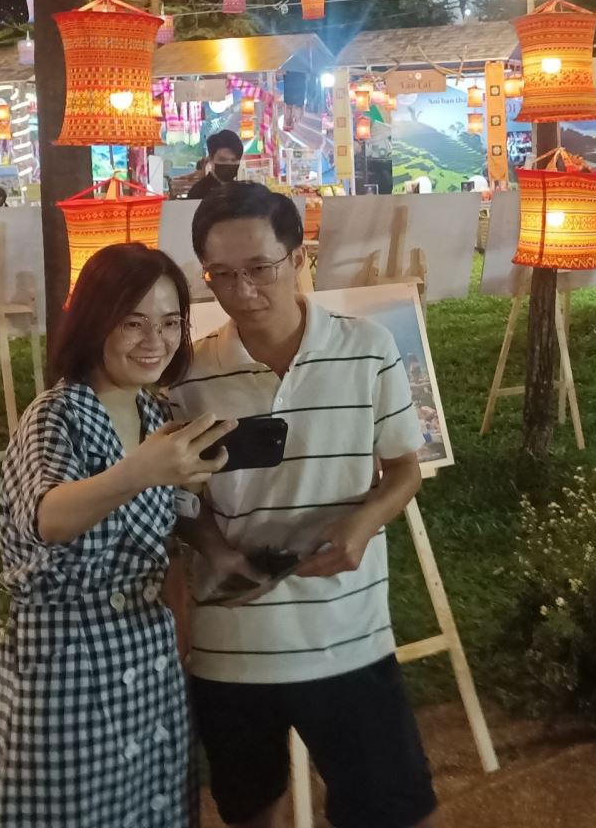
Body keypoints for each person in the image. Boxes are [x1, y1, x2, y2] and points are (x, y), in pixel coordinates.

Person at [171, 183, 435, 828]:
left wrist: (361, 525)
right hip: (233, 639)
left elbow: (404, 469)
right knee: (250, 807)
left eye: (260, 268)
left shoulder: (368, 348)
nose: (243, 291)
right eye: (221, 274)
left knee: (391, 807)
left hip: (346, 631)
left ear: (298, 257)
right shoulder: (190, 376)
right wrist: (215, 549)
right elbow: (180, 499)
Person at [0, 243, 235, 828]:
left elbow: (162, 539)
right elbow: (47, 517)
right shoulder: (56, 415)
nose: (156, 340)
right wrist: (141, 471)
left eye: (170, 322)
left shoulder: (153, 416)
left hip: (148, 658)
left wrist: (199, 583)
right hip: (68, 664)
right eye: (133, 323)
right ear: (95, 321)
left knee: (154, 810)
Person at [185, 129, 244, 200]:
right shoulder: (198, 192)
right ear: (211, 159)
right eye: (223, 160)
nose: (229, 163)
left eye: (234, 160)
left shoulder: (242, 191)